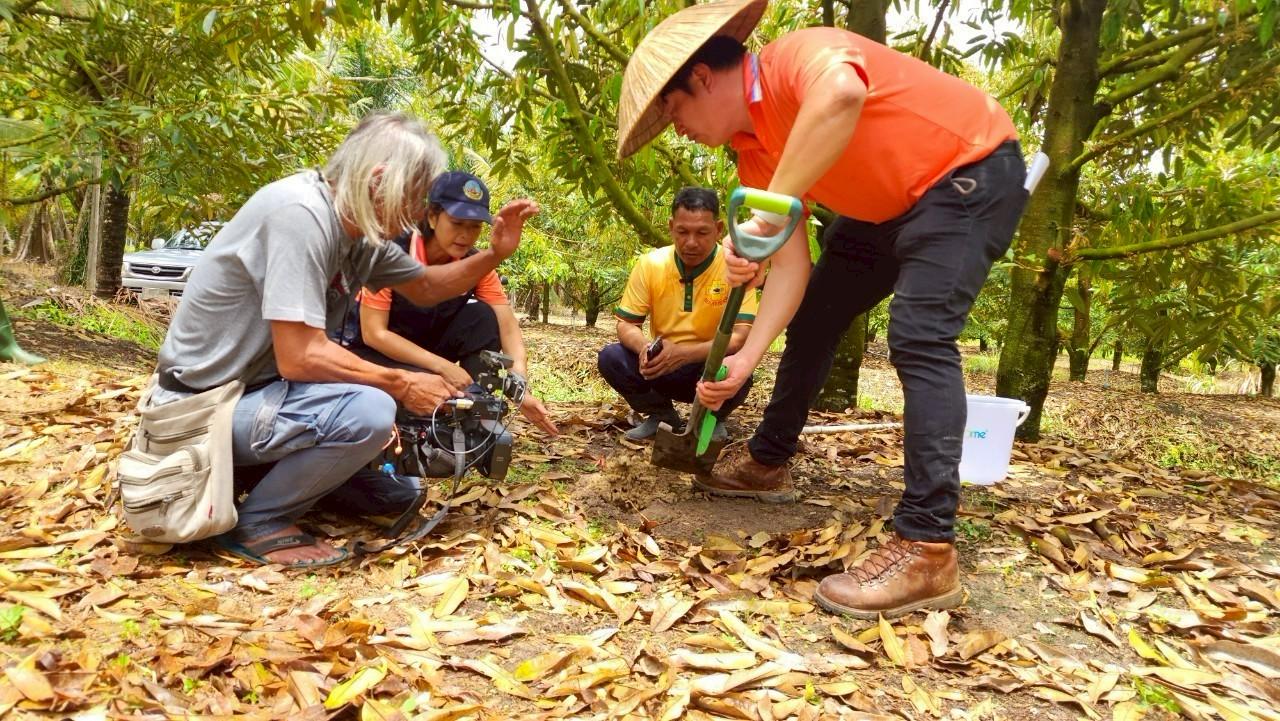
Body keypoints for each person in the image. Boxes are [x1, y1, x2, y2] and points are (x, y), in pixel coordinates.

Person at [616, 0, 1028, 618]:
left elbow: (840, 95)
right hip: (882, 209)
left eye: (673, 110)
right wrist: (745, 359)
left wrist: (766, 213)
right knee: (814, 318)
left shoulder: (795, 56)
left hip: (967, 171)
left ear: (701, 78)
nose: (677, 129)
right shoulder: (754, 156)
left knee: (919, 335)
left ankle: (927, 546)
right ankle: (767, 461)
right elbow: (791, 268)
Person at [149, 111, 537, 569]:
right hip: (201, 411)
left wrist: (494, 253)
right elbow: (300, 356)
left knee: (396, 492)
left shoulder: (356, 234)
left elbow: (427, 286)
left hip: (259, 397)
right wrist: (401, 383)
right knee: (370, 410)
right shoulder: (301, 215)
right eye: (412, 199)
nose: (415, 215)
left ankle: (269, 480)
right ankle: (261, 522)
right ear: (378, 181)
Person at [342, 171, 557, 436]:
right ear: (432, 217)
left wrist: (519, 388)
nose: (465, 235)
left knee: (482, 316)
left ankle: (474, 414)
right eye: (456, 223)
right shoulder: (390, 253)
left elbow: (508, 327)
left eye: (474, 226)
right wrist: (442, 368)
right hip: (371, 352)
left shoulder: (477, 264)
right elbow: (374, 333)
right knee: (419, 396)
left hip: (425, 349)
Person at [598, 187, 758, 441]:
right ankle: (661, 414)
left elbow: (740, 337)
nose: (691, 242)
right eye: (683, 232)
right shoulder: (651, 264)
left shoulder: (735, 267)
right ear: (672, 227)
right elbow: (626, 325)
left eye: (702, 233)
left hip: (709, 365)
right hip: (662, 365)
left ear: (718, 229)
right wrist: (644, 348)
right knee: (612, 358)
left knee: (738, 367)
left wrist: (685, 353)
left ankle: (711, 418)